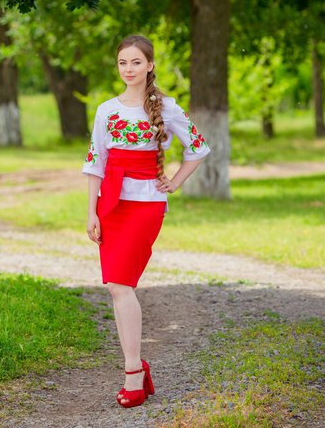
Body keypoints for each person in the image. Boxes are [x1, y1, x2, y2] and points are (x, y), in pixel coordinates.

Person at [81, 35, 210, 408]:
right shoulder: (106, 110)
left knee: (121, 284)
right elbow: (96, 162)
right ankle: (135, 369)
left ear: (150, 65)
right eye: (123, 62)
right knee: (115, 287)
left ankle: (133, 374)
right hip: (111, 203)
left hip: (146, 205)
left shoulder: (167, 108)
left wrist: (175, 182)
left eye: (136, 62)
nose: (129, 69)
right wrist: (91, 210)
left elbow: (198, 148)